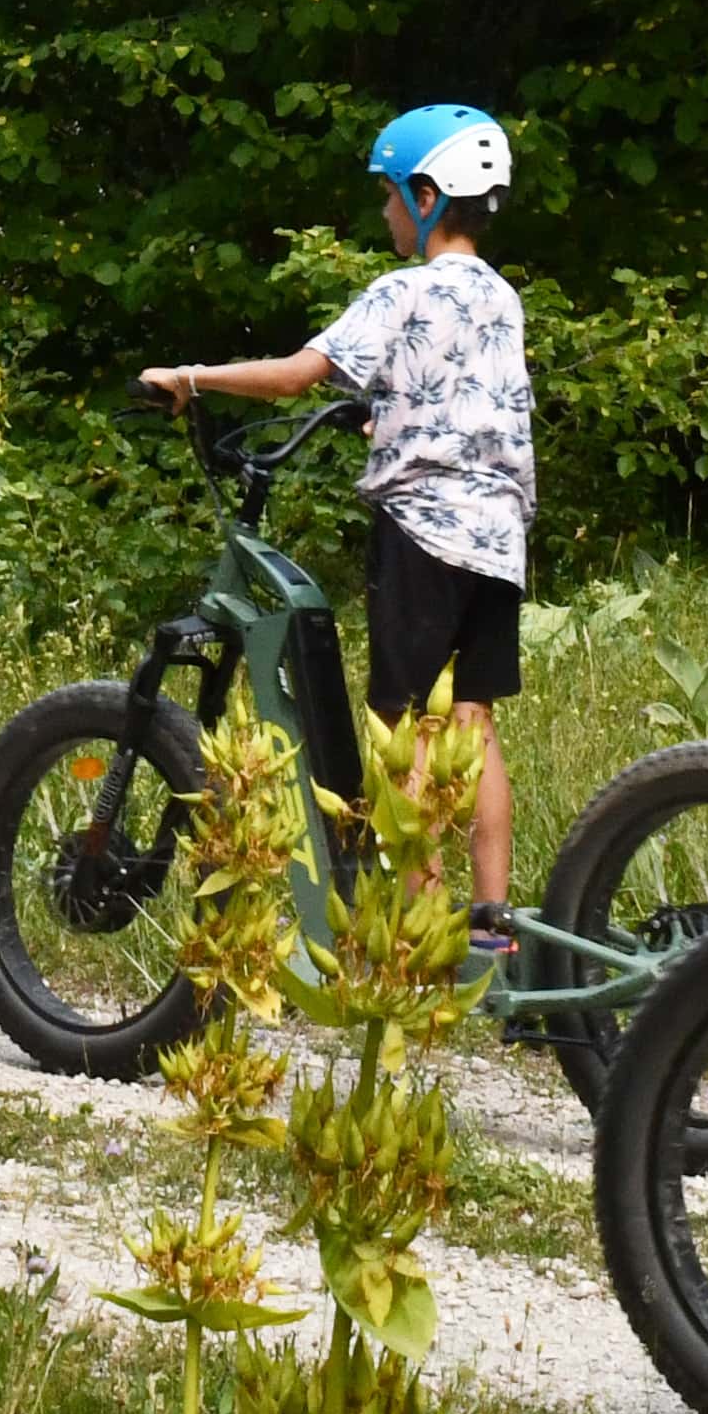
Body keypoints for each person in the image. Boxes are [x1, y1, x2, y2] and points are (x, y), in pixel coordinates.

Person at [138, 101, 535, 919]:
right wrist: (379, 414)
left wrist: (191, 376)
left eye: (391, 194)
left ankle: (419, 928)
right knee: (473, 725)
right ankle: (496, 930)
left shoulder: (402, 290)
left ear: (427, 198)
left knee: (405, 728)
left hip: (425, 531)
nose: (386, 212)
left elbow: (296, 375)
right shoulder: (501, 299)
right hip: (499, 537)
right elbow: (461, 399)